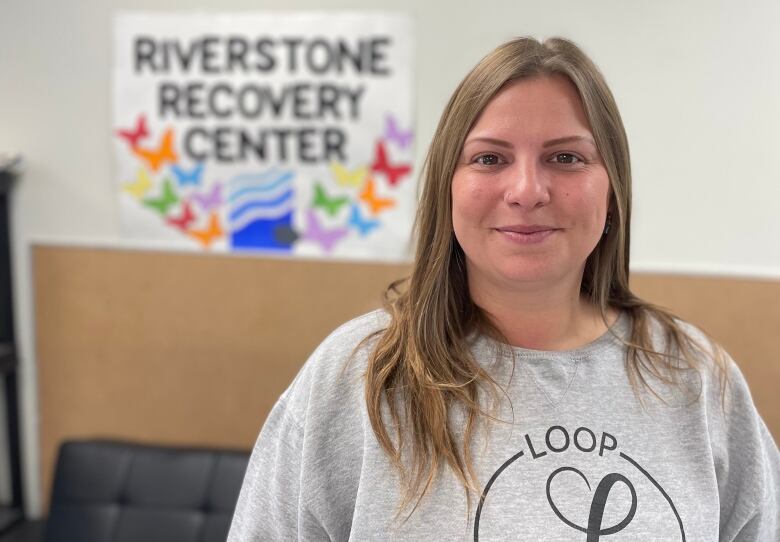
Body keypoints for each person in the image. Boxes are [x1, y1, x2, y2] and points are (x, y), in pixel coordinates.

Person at [228, 37, 779, 541]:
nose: (526, 190)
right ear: (449, 185)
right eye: (489, 158)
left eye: (566, 157)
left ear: (612, 190)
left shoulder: (696, 377)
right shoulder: (357, 376)